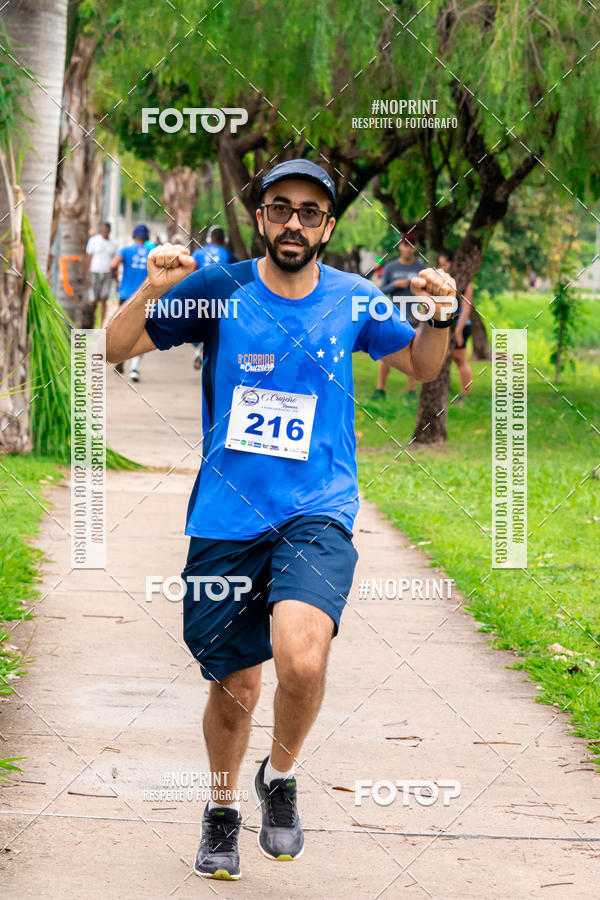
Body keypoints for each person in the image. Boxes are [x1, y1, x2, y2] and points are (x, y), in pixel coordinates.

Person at [106, 158, 456, 881]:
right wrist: (152, 287)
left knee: (302, 657)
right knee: (235, 687)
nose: (292, 222)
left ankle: (283, 776)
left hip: (317, 511)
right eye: (278, 207)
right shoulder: (220, 289)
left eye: (308, 211)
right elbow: (113, 348)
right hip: (228, 516)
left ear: (328, 226)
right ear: (261, 215)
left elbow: (423, 365)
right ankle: (222, 809)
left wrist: (442, 314)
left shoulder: (356, 299)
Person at [371, 234, 423, 401]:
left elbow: (427, 295)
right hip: (393, 317)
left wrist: (424, 313)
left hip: (414, 318)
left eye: (411, 245)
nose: (408, 248)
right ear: (400, 246)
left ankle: (411, 392)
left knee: (413, 355)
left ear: (415, 248)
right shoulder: (391, 267)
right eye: (405, 245)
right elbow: (380, 291)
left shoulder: (420, 269)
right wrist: (395, 285)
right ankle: (380, 390)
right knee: (386, 355)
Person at [191, 227, 238, 369]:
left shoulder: (199, 252)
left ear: (210, 238)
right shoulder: (229, 256)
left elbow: (191, 272)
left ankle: (200, 347)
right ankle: (205, 351)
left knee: (194, 327)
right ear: (223, 240)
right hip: (220, 299)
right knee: (215, 329)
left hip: (200, 296)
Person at [110, 224, 151, 380]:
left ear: (134, 236)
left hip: (125, 295)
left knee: (123, 330)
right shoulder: (151, 252)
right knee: (141, 331)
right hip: (144, 297)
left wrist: (114, 277)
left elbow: (113, 264)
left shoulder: (125, 250)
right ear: (146, 237)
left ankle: (120, 359)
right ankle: (134, 369)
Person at [439, 250, 473, 401]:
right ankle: (447, 392)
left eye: (444, 264)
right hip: (447, 325)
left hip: (461, 326)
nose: (442, 267)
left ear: (452, 263)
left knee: (460, 360)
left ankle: (465, 394)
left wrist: (458, 331)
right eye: (440, 265)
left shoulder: (465, 281)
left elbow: (466, 307)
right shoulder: (442, 281)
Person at [85, 222, 116, 325]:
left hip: (107, 274)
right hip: (94, 272)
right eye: (104, 230)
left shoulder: (112, 244)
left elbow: (113, 261)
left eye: (107, 230)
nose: (105, 232)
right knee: (93, 300)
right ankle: (92, 321)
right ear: (101, 230)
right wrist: (87, 274)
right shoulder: (94, 241)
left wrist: (114, 275)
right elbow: (89, 258)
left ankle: (101, 325)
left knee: (104, 299)